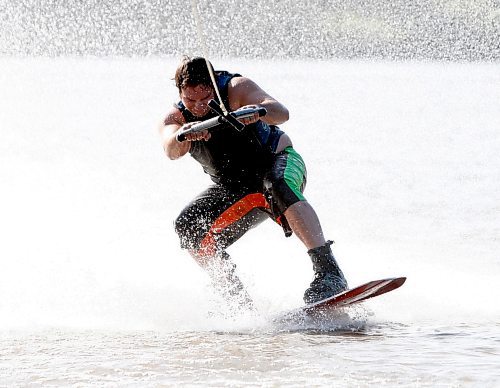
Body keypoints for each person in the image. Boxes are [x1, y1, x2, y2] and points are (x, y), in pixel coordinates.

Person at [159, 56, 348, 310]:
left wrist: (257, 111)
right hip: (239, 191)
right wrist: (184, 135)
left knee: (277, 185)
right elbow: (170, 149)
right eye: (190, 100)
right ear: (180, 92)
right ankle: (237, 301)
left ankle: (329, 273)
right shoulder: (176, 118)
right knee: (187, 226)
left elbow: (282, 112)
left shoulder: (237, 88)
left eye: (205, 99)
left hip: (280, 162)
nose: (199, 106)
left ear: (215, 86)